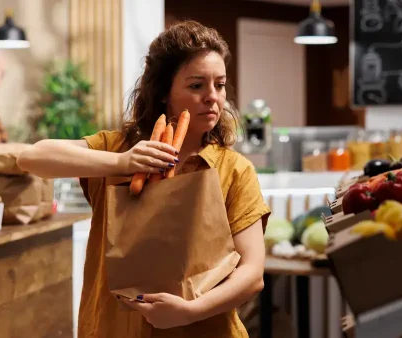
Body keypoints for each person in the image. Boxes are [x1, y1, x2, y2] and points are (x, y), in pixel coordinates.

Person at [17, 21, 270, 338]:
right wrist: (122, 162)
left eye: (219, 85)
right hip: (114, 328)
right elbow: (33, 157)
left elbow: (252, 274)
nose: (212, 97)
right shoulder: (118, 149)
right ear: (164, 93)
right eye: (196, 86)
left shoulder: (234, 170)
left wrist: (190, 311)